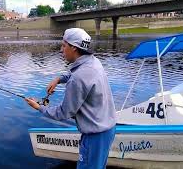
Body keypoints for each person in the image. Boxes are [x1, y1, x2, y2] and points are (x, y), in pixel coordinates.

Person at [25, 28, 116, 169]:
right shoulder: (93, 62)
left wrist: (40, 108)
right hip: (107, 129)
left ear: (74, 48)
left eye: (64, 45)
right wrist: (59, 79)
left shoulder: (77, 79)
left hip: (95, 136)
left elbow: (64, 112)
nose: (61, 50)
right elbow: (75, 73)